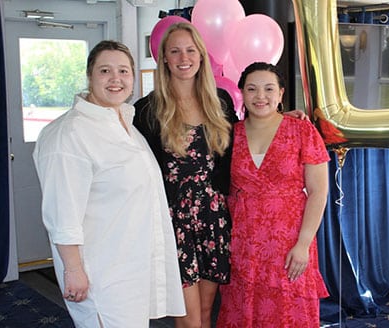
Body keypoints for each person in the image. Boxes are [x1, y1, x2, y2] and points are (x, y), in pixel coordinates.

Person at [133, 22, 307, 328]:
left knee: (205, 312)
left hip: (215, 218)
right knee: (187, 318)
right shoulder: (147, 110)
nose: (183, 57)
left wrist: (283, 116)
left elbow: (247, 131)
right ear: (164, 59)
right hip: (172, 221)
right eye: (174, 51)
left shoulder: (220, 102)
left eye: (190, 50)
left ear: (201, 56)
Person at [32, 40, 186, 327]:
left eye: (124, 71)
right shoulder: (70, 133)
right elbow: (62, 212)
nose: (116, 79)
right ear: (90, 76)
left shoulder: (125, 122)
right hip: (101, 273)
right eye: (105, 70)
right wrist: (73, 270)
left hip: (130, 268)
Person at [216, 62, 330, 328]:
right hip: (243, 242)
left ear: (280, 93)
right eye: (252, 89)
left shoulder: (302, 130)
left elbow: (318, 192)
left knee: (288, 311)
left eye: (269, 89)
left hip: (289, 240)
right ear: (242, 93)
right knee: (244, 311)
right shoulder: (231, 134)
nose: (260, 96)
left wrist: (303, 244)